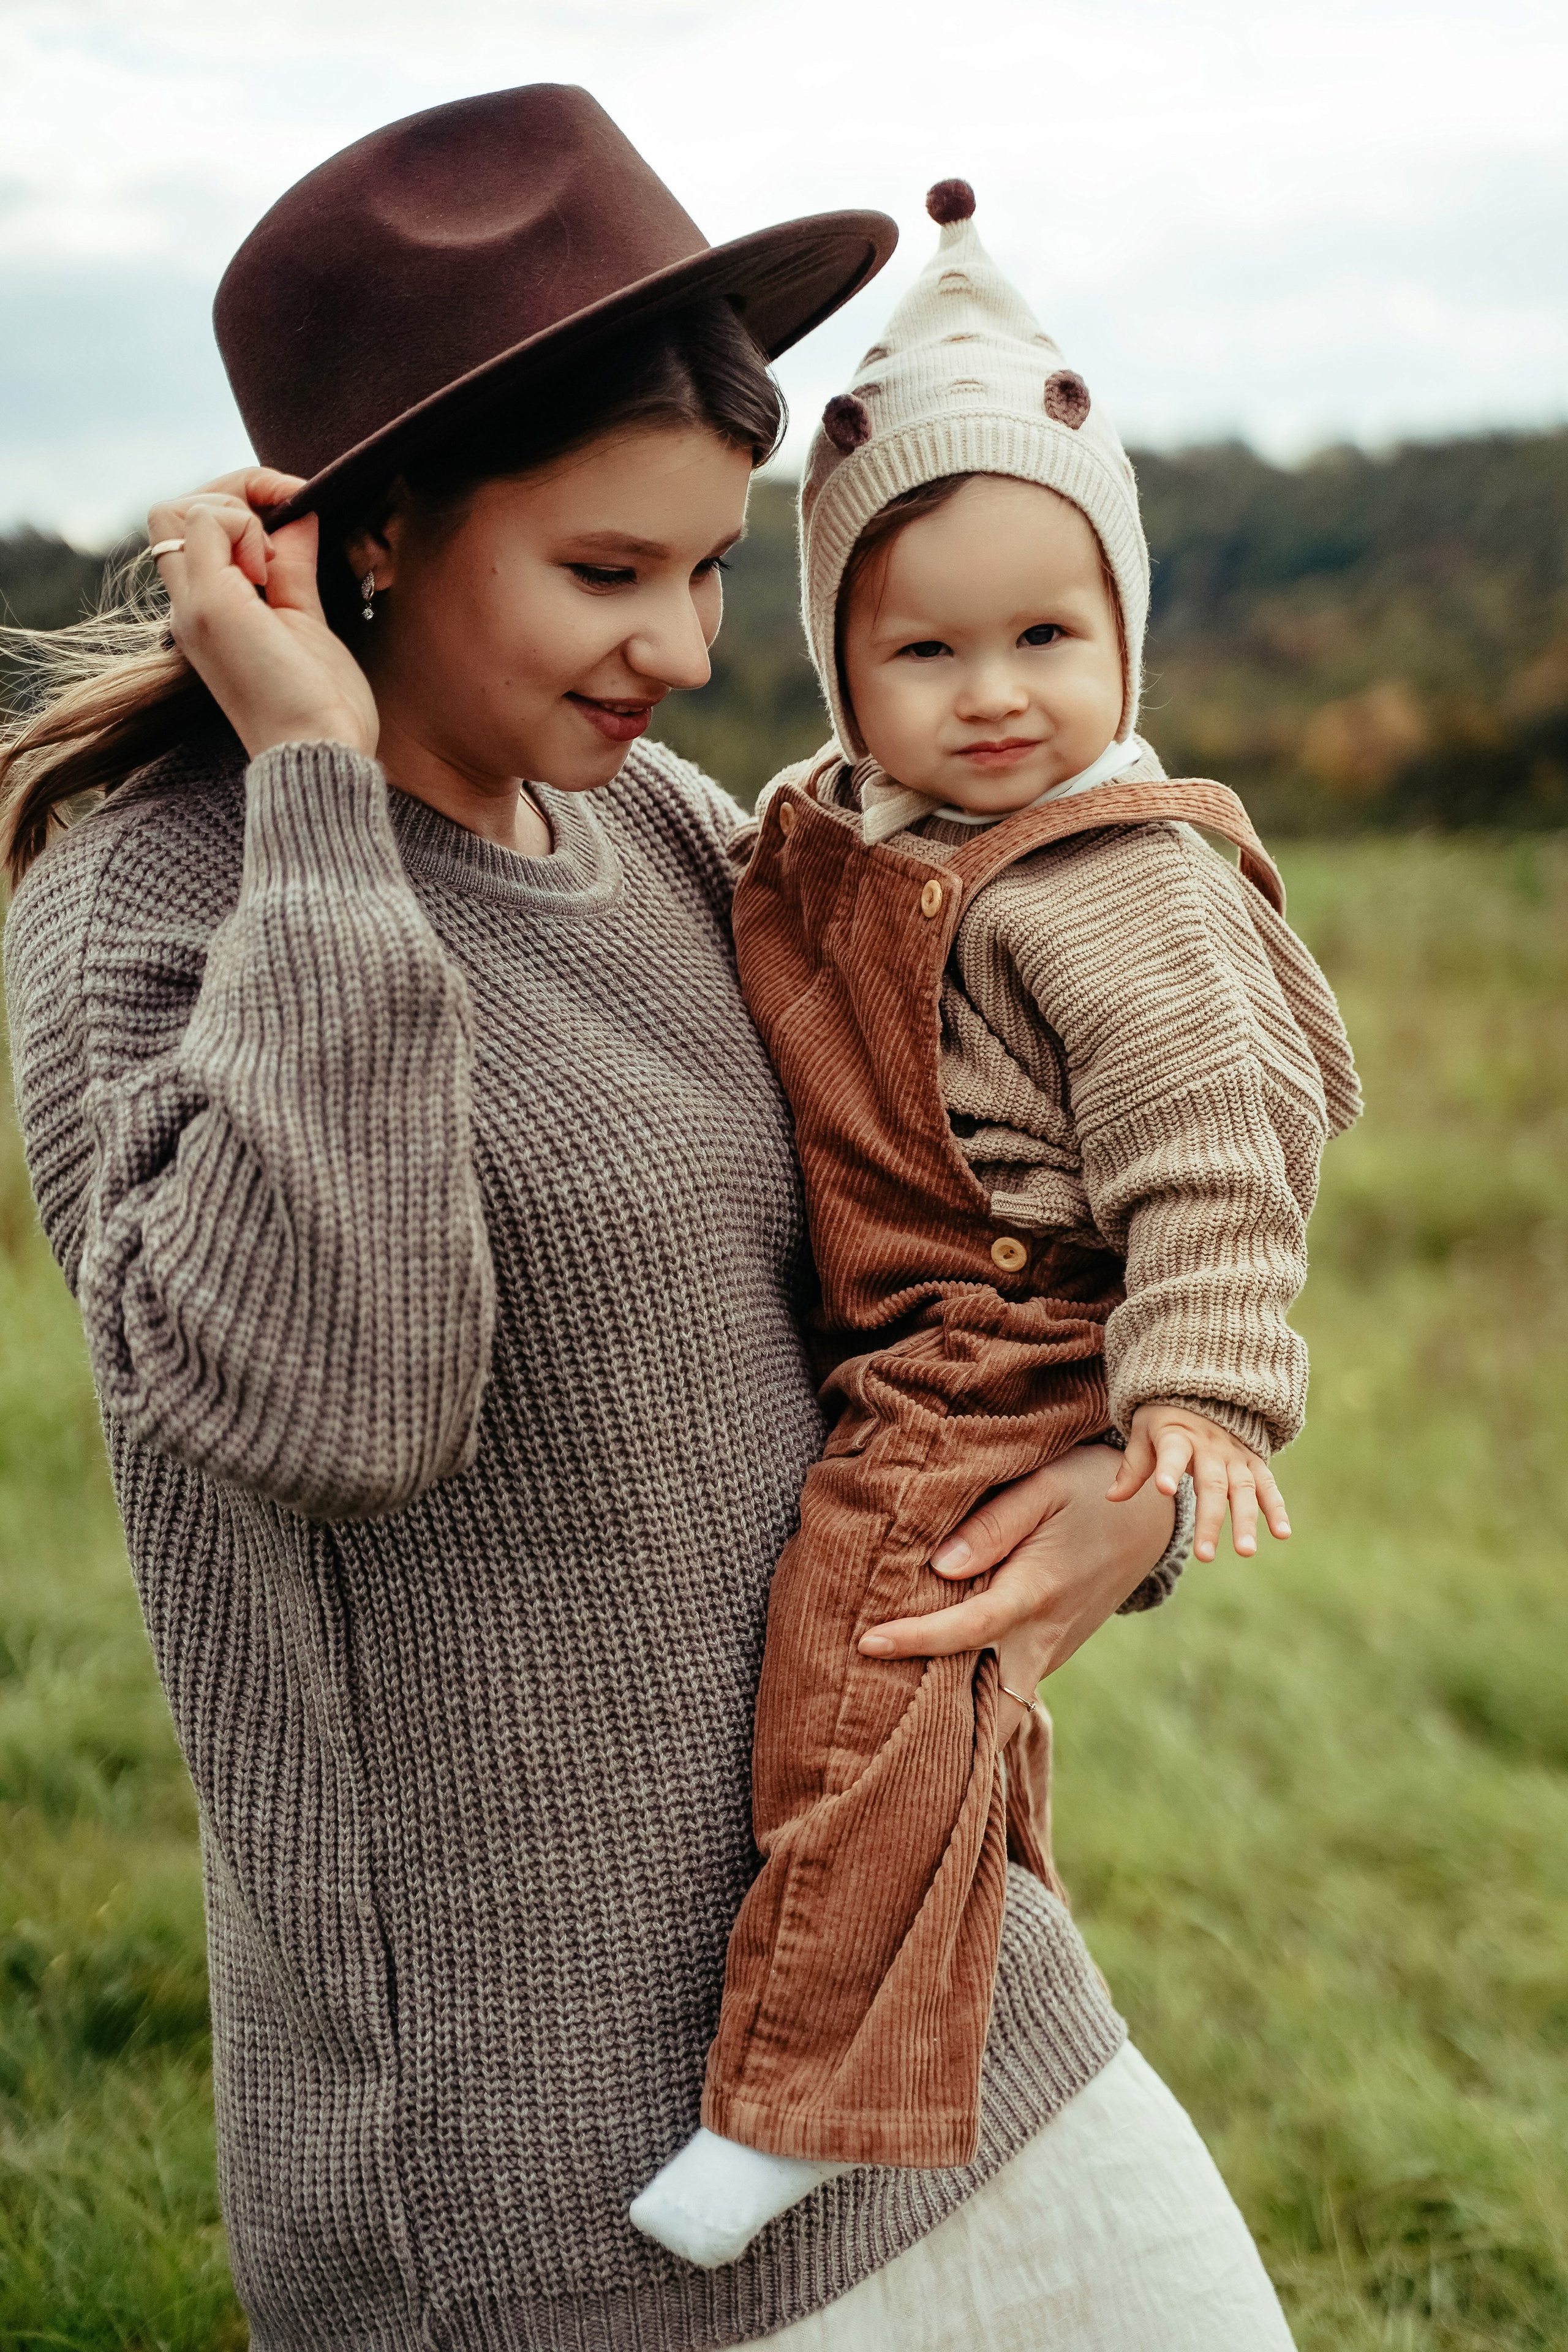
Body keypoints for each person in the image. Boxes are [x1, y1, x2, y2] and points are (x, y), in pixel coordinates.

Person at [1, 88, 1289, 2352]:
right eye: (609, 575)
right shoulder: (157, 901)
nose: (690, 653)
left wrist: (1133, 1509)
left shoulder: (677, 834)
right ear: (371, 536)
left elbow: (987, 1228)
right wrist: (313, 781)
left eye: (710, 569)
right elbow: (331, 1404)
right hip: (547, 2160)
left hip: (929, 1969)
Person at [631, 183, 1360, 2277]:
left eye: (1048, 636)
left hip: (1026, 1323)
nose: (995, 695)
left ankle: (806, 2099)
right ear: (837, 660)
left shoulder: (1110, 879)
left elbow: (1216, 1147)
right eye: (921, 647)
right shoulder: (850, 829)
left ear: (1124, 633)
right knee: (949, 1700)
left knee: (873, 1647)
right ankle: (943, 1963)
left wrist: (1201, 1397)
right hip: (913, 1316)